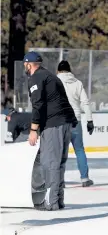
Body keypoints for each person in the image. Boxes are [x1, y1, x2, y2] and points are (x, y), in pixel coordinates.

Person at [24, 52, 77, 211]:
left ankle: (52, 202)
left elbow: (38, 105)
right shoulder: (51, 76)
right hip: (66, 123)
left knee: (49, 163)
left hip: (54, 124)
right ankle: (58, 200)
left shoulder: (36, 78)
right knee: (59, 163)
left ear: (29, 64)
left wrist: (34, 129)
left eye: (25, 65)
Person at [57, 60, 95, 187]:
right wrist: (89, 120)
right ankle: (85, 178)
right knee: (79, 150)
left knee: (61, 151)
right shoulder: (77, 83)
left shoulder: (54, 81)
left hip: (60, 120)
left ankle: (59, 181)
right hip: (76, 120)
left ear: (58, 71)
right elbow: (85, 102)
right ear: (70, 71)